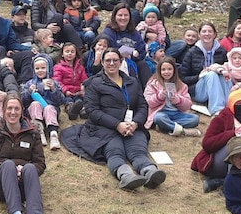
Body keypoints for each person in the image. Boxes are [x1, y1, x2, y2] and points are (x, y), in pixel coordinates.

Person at [61, 48, 166, 190]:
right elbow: (93, 111)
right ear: (102, 63)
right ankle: (126, 176)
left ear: (121, 61)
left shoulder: (132, 82)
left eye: (115, 60)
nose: (111, 63)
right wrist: (117, 125)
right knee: (115, 150)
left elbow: (142, 106)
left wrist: (135, 123)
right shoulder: (94, 83)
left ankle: (150, 172)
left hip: (131, 126)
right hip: (104, 128)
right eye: (108, 60)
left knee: (137, 150)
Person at [191, 89, 241, 192]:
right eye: (239, 103)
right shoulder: (221, 118)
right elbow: (207, 144)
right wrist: (232, 134)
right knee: (238, 142)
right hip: (219, 161)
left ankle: (222, 182)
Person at [144, 57, 200, 136]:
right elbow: (147, 102)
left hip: (176, 113)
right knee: (159, 118)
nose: (166, 72)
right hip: (160, 112)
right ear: (159, 71)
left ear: (174, 70)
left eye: (169, 69)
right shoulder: (153, 84)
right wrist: (159, 97)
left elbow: (188, 105)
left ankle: (165, 127)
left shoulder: (182, 85)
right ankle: (183, 131)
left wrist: (178, 100)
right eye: (163, 69)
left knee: (195, 119)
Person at [21, 55, 65, 150]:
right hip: (34, 112)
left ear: (48, 68)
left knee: (49, 108)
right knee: (35, 104)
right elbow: (23, 101)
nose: (40, 70)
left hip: (50, 111)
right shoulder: (29, 83)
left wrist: (54, 89)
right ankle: (39, 131)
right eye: (37, 68)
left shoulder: (54, 82)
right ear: (33, 70)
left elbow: (61, 101)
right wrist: (29, 92)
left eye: (43, 68)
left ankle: (53, 134)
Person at [102, 6, 151, 84]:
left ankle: (148, 90)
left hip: (133, 60)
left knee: (143, 65)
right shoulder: (109, 32)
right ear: (115, 17)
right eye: (120, 15)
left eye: (126, 15)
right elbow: (106, 49)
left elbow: (142, 50)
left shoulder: (135, 33)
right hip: (116, 62)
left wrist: (135, 55)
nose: (123, 18)